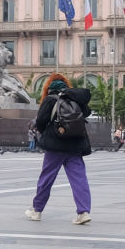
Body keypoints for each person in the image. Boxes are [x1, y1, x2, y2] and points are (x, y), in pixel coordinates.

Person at [26, 74, 92, 225]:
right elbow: (86, 113)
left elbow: (41, 122)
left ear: (50, 89)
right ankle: (83, 212)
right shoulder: (75, 99)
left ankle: (37, 211)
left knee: (46, 178)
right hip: (75, 145)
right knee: (79, 179)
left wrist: (48, 131)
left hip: (55, 147)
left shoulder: (50, 100)